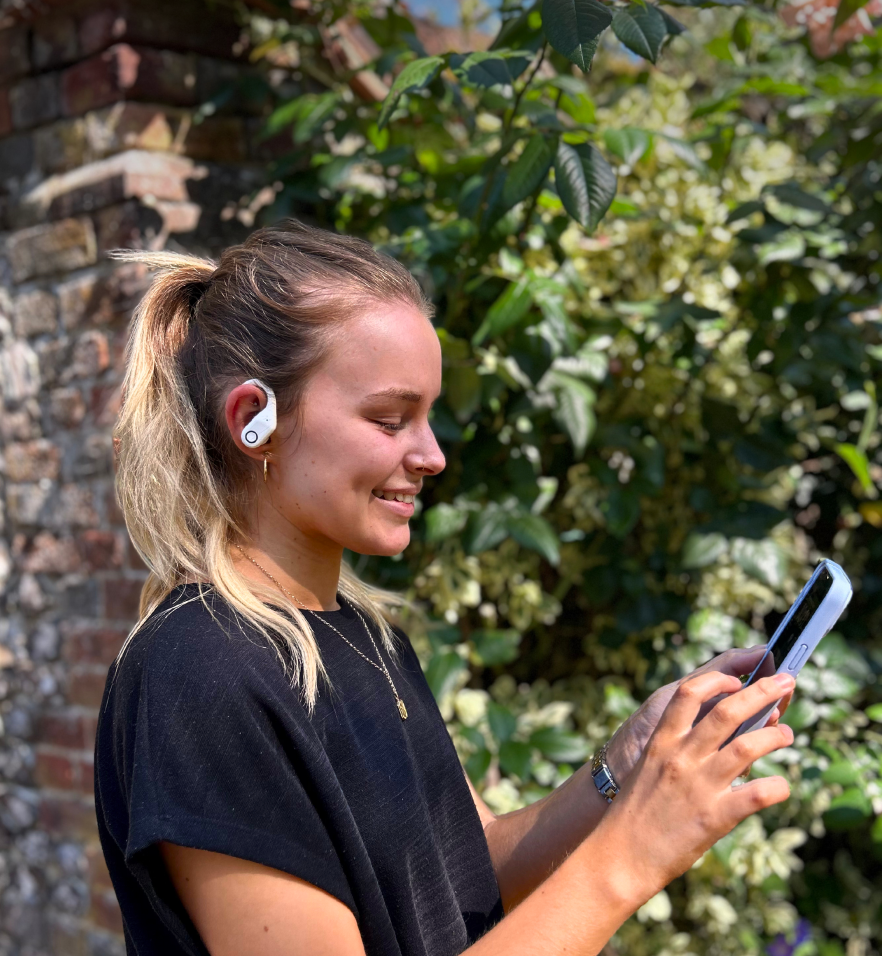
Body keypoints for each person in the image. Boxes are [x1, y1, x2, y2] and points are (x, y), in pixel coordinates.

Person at [94, 220, 795, 956]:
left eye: (426, 419)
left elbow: (469, 874)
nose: (430, 456)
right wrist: (631, 856)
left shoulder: (362, 635)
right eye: (390, 419)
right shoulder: (201, 675)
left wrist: (627, 768)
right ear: (253, 421)